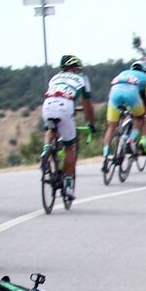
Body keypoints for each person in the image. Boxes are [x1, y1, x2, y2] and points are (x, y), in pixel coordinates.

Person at [40, 55, 96, 200]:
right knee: (69, 147)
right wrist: (91, 123)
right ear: (75, 68)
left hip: (47, 104)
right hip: (65, 105)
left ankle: (46, 151)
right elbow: (87, 105)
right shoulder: (82, 78)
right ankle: (69, 187)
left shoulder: (54, 78)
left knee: (51, 128)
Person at [102, 61, 146, 170]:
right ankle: (131, 140)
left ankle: (105, 156)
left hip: (114, 94)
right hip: (132, 94)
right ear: (144, 71)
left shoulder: (123, 73)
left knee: (111, 127)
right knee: (140, 118)